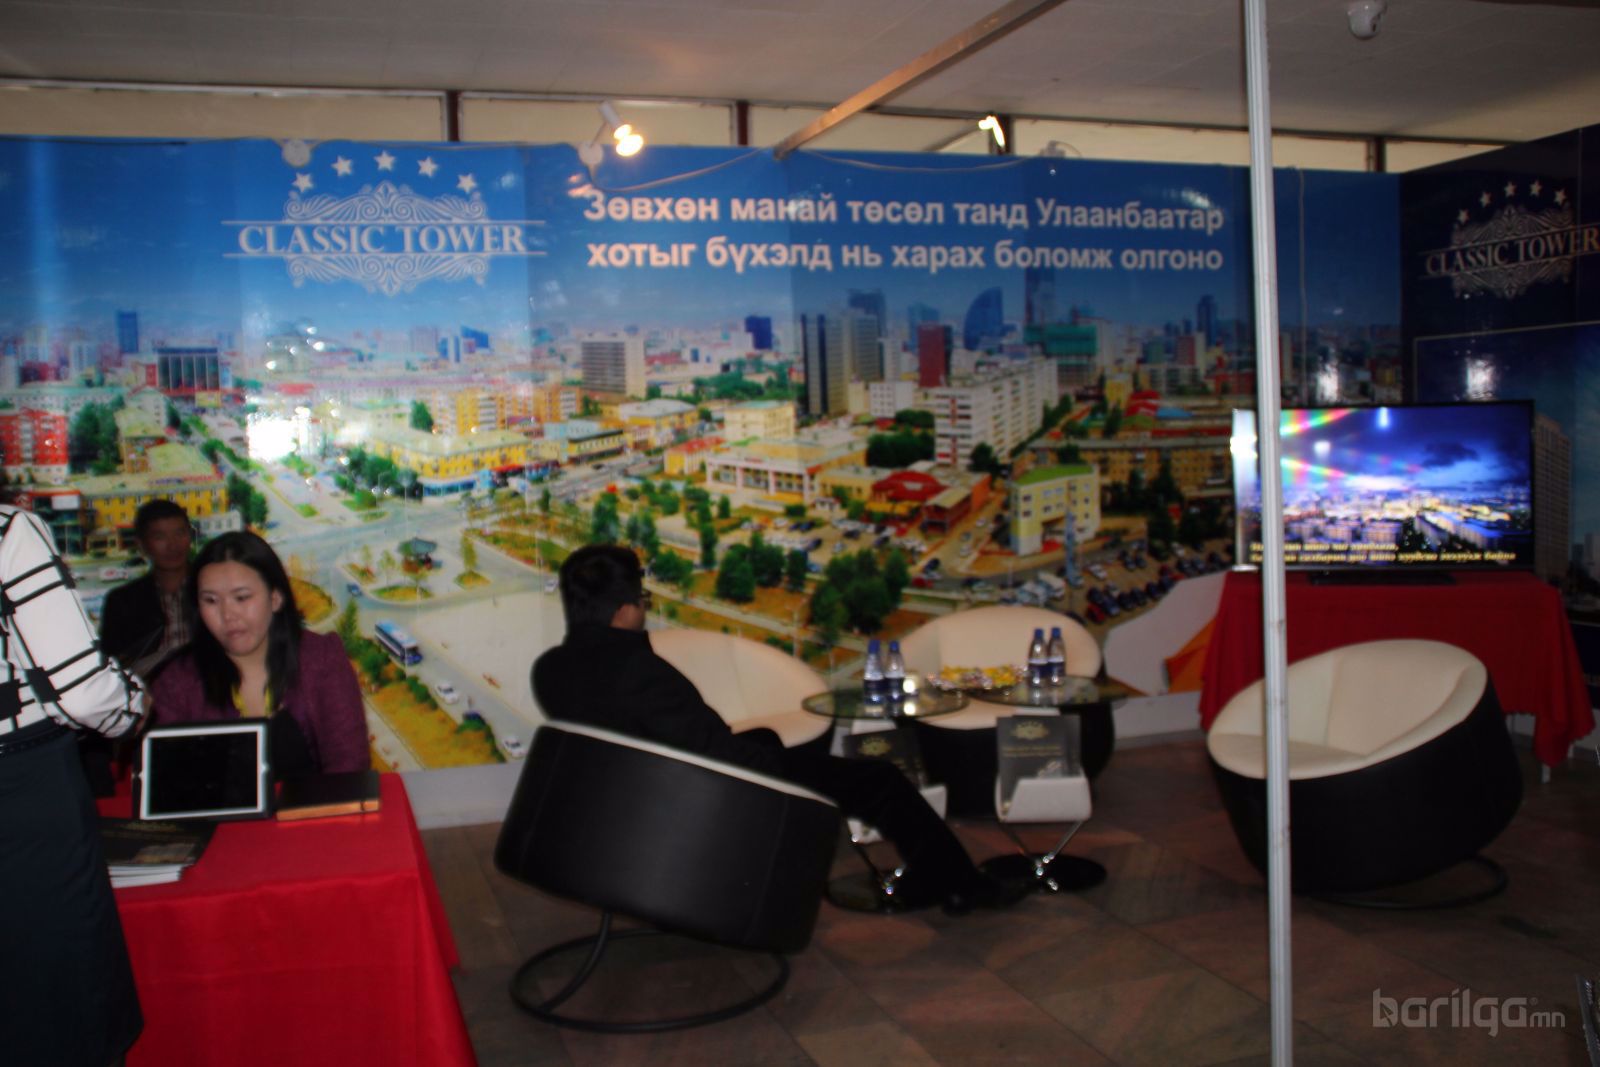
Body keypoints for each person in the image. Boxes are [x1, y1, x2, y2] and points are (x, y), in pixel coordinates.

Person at [532, 543, 1026, 914]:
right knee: (880, 780)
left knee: (769, 740)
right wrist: (786, 771)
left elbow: (678, 738)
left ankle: (929, 872)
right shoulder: (639, 670)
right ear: (624, 609)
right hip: (705, 797)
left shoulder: (551, 670)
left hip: (630, 799)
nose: (644, 609)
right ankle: (964, 887)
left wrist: (768, 749)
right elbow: (718, 755)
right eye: (641, 599)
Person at [0, 504, 147, 1067]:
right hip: (23, 800)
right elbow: (81, 693)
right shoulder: (10, 531)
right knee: (62, 1019)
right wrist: (134, 707)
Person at [151, 531, 369, 778]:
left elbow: (349, 766)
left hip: (320, 803)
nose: (228, 615)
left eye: (242, 597)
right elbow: (168, 779)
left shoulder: (322, 659)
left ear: (275, 598)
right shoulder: (177, 682)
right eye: (211, 601)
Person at [99, 499, 194, 676]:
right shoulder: (123, 602)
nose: (172, 545)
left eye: (180, 533)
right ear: (141, 545)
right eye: (160, 537)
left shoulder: (213, 591)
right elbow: (111, 667)